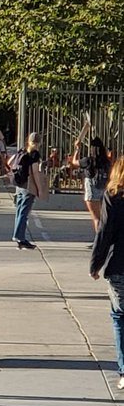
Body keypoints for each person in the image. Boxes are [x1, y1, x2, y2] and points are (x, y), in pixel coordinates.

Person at [89, 156, 124, 391]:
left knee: (120, 318)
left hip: (120, 266)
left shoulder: (114, 196)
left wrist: (96, 263)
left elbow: (105, 232)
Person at [11, 130, 47, 249]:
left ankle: (17, 236)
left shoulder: (22, 150)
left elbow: (10, 162)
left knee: (19, 211)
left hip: (19, 185)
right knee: (24, 213)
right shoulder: (35, 154)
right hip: (28, 185)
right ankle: (20, 238)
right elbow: (35, 172)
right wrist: (40, 189)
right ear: (39, 142)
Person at [74, 136, 110, 233]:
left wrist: (77, 149)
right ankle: (102, 239)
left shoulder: (88, 160)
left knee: (96, 218)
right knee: (102, 217)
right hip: (103, 191)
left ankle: (99, 240)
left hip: (91, 191)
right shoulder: (106, 161)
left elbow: (74, 162)